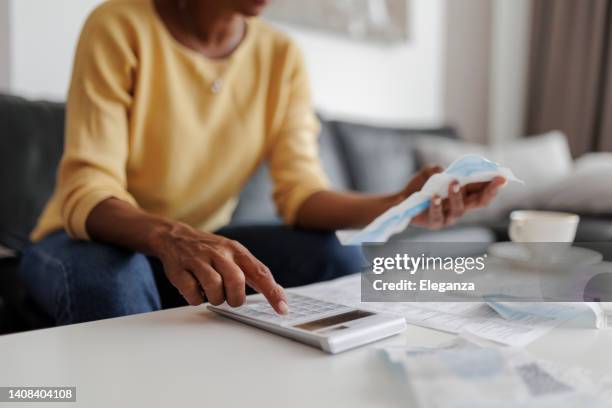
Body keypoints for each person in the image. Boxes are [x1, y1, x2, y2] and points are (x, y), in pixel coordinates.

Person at [20, 0, 505, 325]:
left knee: (337, 254)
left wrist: (398, 204)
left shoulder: (280, 56)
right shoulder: (120, 24)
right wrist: (171, 235)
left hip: (199, 242)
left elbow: (301, 194)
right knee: (115, 280)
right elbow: (89, 189)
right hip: (89, 236)